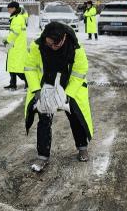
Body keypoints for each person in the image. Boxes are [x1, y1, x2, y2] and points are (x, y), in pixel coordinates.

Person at [24, 22, 93, 172]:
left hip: (69, 86)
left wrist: (68, 95)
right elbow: (29, 68)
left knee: (75, 116)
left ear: (64, 38)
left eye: (56, 44)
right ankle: (42, 156)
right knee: (44, 119)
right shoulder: (38, 46)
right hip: (46, 85)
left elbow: (80, 72)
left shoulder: (75, 48)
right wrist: (36, 89)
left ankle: (82, 147)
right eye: (49, 44)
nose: (52, 47)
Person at [4, 2, 28, 90]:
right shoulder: (17, 17)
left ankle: (28, 81)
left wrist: (7, 40)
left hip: (17, 46)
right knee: (11, 65)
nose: (8, 10)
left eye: (9, 8)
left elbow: (15, 32)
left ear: (14, 8)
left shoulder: (17, 18)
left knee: (17, 67)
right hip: (15, 45)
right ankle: (12, 84)